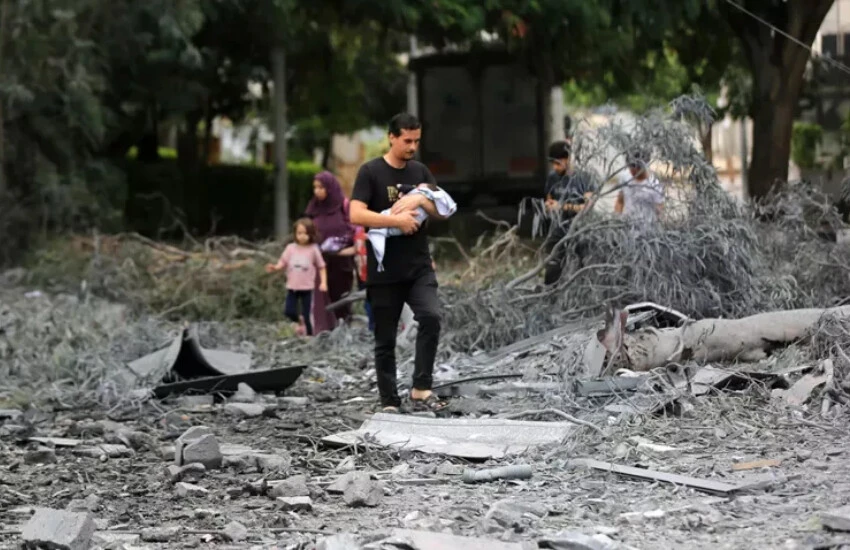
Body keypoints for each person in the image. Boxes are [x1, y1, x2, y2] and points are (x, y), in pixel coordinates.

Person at [349, 113, 449, 414]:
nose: (412, 147)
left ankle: (421, 390)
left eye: (416, 141)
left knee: (431, 317)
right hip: (384, 270)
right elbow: (356, 214)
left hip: (419, 267)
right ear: (391, 137)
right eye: (407, 140)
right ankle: (390, 401)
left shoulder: (420, 171)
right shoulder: (371, 172)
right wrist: (395, 220)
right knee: (385, 338)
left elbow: (442, 210)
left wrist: (421, 201)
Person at [305, 171, 356, 334]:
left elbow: (355, 232)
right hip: (320, 263)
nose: (317, 191)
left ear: (330, 188)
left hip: (341, 263)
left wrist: (337, 247)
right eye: (315, 187)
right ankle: (322, 334)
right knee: (320, 301)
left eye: (321, 187)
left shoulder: (344, 206)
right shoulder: (313, 209)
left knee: (341, 299)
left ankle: (343, 333)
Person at [366, 182, 457, 272]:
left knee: (385, 224)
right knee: (386, 226)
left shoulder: (422, 190)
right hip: (397, 249)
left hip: (413, 245)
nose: (419, 186)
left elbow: (443, 213)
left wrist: (421, 199)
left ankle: (376, 233)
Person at [543, 140, 596, 285]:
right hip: (558, 232)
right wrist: (549, 205)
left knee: (585, 271)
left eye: (558, 163)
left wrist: (562, 207)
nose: (555, 167)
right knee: (552, 272)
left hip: (580, 232)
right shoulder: (552, 177)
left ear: (567, 159)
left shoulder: (583, 178)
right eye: (552, 163)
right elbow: (549, 199)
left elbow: (587, 207)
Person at [265, 218, 327, 336]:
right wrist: (275, 267)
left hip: (307, 288)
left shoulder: (313, 249)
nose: (302, 236)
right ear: (295, 234)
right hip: (292, 287)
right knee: (289, 311)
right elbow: (283, 262)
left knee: (307, 313)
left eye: (306, 233)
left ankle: (309, 336)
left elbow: (321, 266)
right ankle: (299, 321)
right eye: (299, 233)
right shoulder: (290, 248)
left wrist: (323, 282)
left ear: (311, 234)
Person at [614, 147, 664, 227]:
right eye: (631, 168)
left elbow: (659, 211)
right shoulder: (624, 177)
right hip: (627, 227)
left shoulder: (654, 184)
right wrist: (616, 220)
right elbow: (620, 201)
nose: (634, 171)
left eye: (637, 168)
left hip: (647, 230)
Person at [352, 224, 375, 332]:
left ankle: (374, 329)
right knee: (367, 304)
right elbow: (355, 250)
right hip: (362, 274)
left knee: (373, 303)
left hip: (376, 274)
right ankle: (372, 329)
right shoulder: (357, 230)